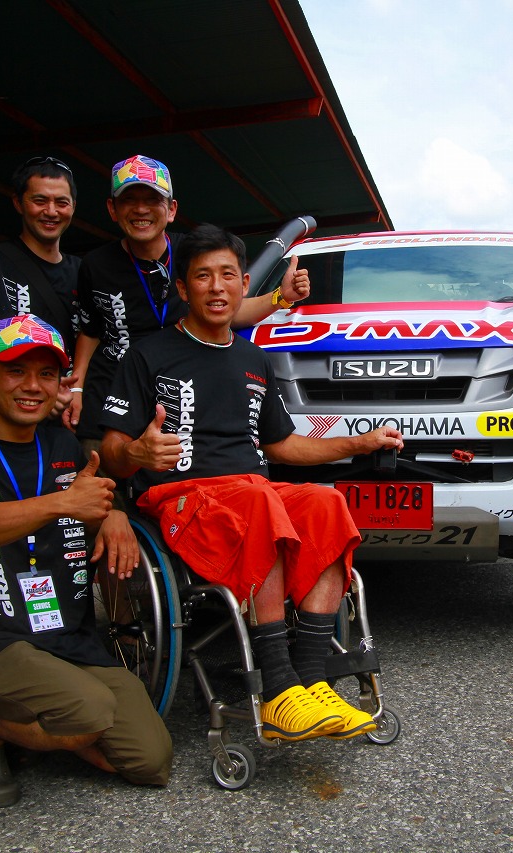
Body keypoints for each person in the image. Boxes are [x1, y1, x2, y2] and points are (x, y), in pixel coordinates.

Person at [99, 225, 401, 742]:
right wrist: (135, 453)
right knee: (260, 499)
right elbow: (109, 449)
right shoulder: (150, 356)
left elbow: (283, 445)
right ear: (183, 288)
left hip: (251, 494)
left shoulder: (253, 358)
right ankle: (278, 688)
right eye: (202, 276)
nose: (217, 287)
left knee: (326, 503)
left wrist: (360, 442)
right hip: (181, 499)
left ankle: (311, 679)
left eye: (227, 276)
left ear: (244, 285)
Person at [0, 314, 173, 807]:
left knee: (150, 761)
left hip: (69, 641)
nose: (32, 386)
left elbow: (92, 500)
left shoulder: (62, 445)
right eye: (16, 371)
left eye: (46, 374)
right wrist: (61, 504)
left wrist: (113, 515)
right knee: (88, 712)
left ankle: (41, 725)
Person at [66, 155, 311, 455]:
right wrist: (76, 388)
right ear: (112, 209)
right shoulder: (95, 265)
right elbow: (90, 330)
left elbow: (229, 309)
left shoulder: (194, 253)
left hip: (180, 405)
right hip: (110, 402)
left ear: (171, 210)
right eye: (129, 200)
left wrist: (281, 297)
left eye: (152, 200)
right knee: (104, 475)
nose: (141, 209)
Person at [0, 155, 82, 423]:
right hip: (10, 409)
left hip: (68, 415)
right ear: (18, 203)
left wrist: (74, 390)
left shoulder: (84, 272)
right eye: (40, 201)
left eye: (61, 203)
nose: (51, 212)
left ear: (73, 207)